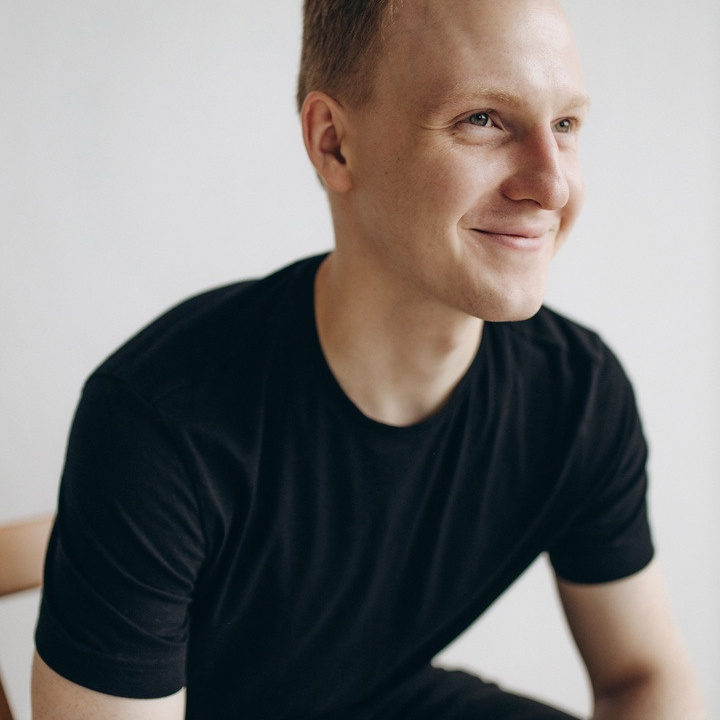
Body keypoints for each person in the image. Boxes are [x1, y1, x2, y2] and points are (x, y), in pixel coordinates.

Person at [32, 0, 706, 718]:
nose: (553, 186)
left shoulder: (575, 394)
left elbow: (642, 677)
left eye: (566, 125)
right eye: (483, 119)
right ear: (334, 144)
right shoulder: (159, 424)